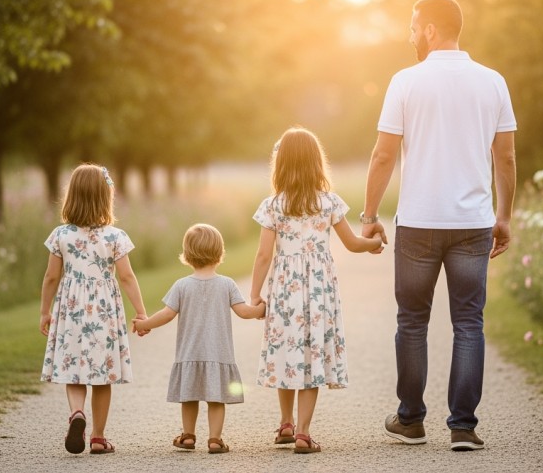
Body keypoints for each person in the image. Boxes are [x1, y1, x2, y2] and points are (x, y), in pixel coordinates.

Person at [361, 0, 517, 451]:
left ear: (430, 29)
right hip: (473, 222)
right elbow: (504, 157)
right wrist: (503, 216)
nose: (409, 36)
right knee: (469, 322)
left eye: (413, 28)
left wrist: (369, 217)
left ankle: (410, 420)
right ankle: (463, 427)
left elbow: (383, 154)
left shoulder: (405, 82)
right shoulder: (493, 82)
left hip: (418, 224)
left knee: (412, 321)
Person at [251, 126, 384, 454]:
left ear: (280, 164)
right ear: (316, 163)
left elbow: (264, 254)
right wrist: (374, 243)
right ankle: (304, 433)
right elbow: (352, 243)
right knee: (310, 355)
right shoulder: (328, 202)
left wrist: (255, 294)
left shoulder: (273, 205)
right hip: (319, 291)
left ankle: (285, 423)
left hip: (284, 289)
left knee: (288, 350)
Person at [39, 163, 149, 455]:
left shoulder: (61, 235)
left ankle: (77, 413)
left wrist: (44, 311)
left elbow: (51, 277)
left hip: (71, 309)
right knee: (102, 375)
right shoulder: (115, 237)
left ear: (71, 196)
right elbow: (126, 277)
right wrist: (141, 312)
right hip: (103, 312)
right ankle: (98, 438)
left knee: (75, 371)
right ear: (106, 197)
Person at [132, 223, 266, 454]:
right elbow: (244, 311)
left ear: (187, 254)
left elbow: (166, 315)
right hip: (219, 354)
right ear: (219, 253)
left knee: (189, 397)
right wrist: (261, 309)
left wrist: (144, 324)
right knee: (216, 399)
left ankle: (188, 436)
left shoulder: (182, 286)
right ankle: (215, 439)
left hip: (189, 354)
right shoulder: (227, 284)